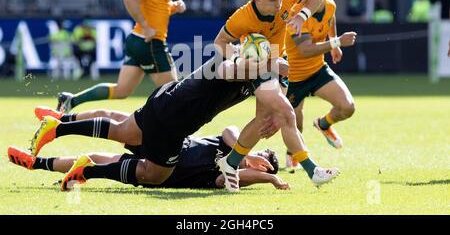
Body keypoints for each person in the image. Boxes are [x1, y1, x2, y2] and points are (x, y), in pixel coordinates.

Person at [23, 55, 293, 191]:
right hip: (174, 123)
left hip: (165, 103)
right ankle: (85, 169)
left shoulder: (257, 84)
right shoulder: (241, 69)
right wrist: (265, 174)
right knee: (154, 174)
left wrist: (274, 115)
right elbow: (231, 130)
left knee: (119, 128)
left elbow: (226, 177)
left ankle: (57, 130)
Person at [213, 0, 339, 192]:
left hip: (279, 61)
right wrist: (239, 52)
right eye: (273, 1)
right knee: (287, 113)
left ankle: (230, 163)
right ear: (257, 0)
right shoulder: (242, 18)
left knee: (265, 120)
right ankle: (313, 170)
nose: (279, 4)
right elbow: (220, 42)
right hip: (258, 66)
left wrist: (302, 15)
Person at [56, 0, 186, 113]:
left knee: (121, 90)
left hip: (136, 40)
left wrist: (173, 7)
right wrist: (146, 26)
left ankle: (71, 100)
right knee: (173, 91)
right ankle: (163, 130)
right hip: (150, 42)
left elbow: (156, 6)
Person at [9, 108, 288, 190]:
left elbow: (223, 180)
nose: (256, 160)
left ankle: (37, 162)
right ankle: (59, 122)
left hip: (159, 167)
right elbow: (230, 130)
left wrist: (271, 179)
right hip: (164, 141)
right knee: (115, 119)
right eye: (260, 156)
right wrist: (246, 152)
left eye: (262, 161)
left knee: (94, 159)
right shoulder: (231, 145)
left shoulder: (226, 178)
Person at [284, 0, 357, 172]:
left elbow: (330, 19)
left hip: (317, 71)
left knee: (347, 107)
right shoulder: (296, 14)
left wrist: (333, 45)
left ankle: (324, 124)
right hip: (293, 77)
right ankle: (293, 154)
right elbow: (305, 50)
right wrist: (336, 42)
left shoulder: (330, 4)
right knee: (295, 126)